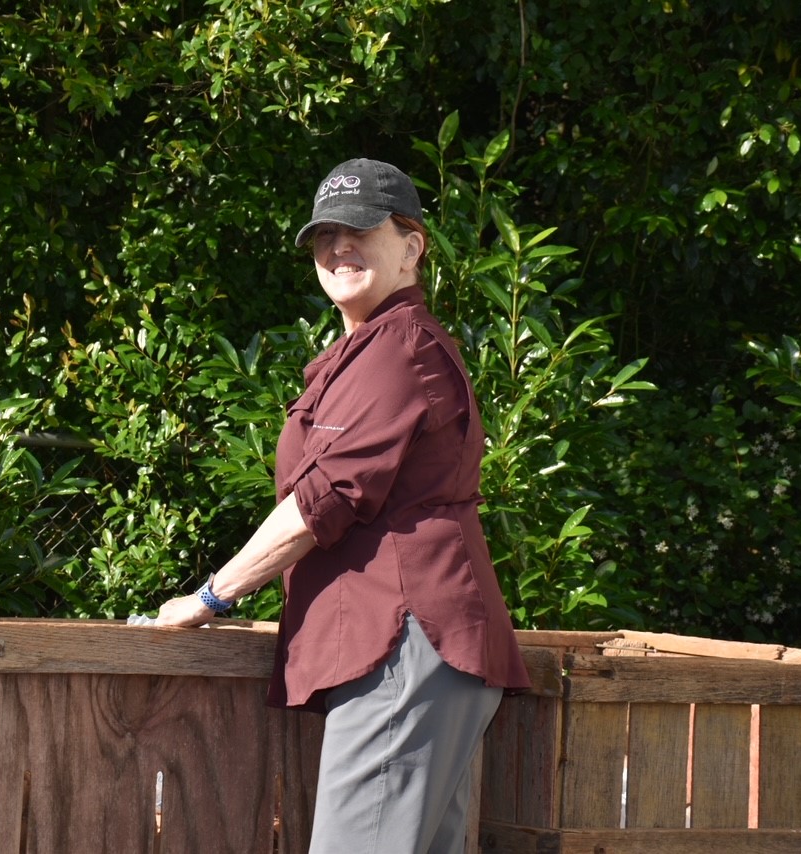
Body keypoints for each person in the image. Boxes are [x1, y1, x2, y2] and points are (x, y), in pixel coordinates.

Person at [150, 159, 532, 853]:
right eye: (325, 236)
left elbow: (318, 503)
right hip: (411, 653)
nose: (338, 248)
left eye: (359, 231)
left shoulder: (398, 351)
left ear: (411, 247)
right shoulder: (372, 348)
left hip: (404, 645)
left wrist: (211, 596)